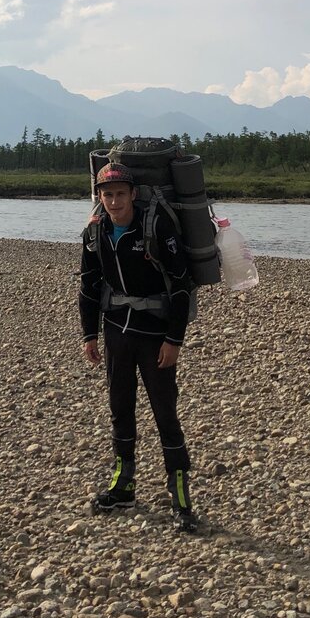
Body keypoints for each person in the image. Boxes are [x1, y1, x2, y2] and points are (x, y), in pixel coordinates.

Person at [79, 161, 199, 531]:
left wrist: (174, 339)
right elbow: (88, 284)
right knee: (120, 407)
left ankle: (180, 497)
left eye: (120, 194)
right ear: (100, 197)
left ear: (133, 194)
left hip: (155, 335)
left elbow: (180, 286)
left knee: (165, 412)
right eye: (107, 194)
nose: (114, 201)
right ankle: (123, 484)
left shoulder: (157, 227)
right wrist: (89, 335)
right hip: (116, 330)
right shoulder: (94, 232)